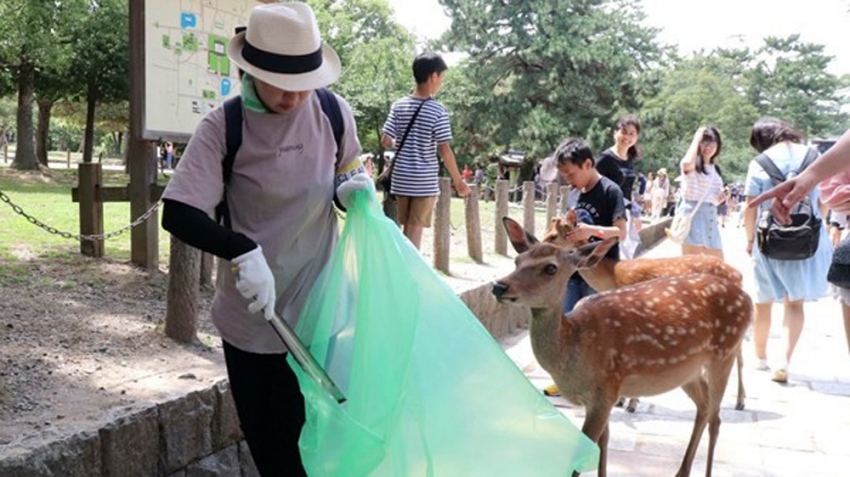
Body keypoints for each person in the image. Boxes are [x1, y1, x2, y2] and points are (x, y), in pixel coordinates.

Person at [159, 4, 372, 475]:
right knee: (275, 452)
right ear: (249, 70)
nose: (294, 97)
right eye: (281, 82)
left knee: (324, 446)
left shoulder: (334, 112)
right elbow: (177, 213)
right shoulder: (224, 126)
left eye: (304, 84)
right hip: (256, 319)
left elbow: (346, 173)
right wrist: (240, 249)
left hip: (322, 313)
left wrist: (349, 193)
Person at [743, 117, 832, 382]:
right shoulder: (814, 156)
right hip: (806, 239)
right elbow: (823, 203)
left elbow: (751, 206)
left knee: (763, 300)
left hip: (769, 239)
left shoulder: (760, 162)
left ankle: (759, 358)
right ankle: (784, 359)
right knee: (794, 303)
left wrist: (749, 240)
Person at [543, 138, 627, 397]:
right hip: (573, 271)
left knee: (596, 329)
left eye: (571, 173)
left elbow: (620, 232)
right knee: (567, 322)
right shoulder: (575, 194)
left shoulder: (611, 191)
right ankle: (566, 378)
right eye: (564, 175)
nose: (569, 179)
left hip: (600, 274)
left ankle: (599, 382)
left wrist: (592, 231)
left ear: (588, 164)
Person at [380, 52, 470, 250]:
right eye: (441, 78)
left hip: (401, 178)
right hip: (423, 180)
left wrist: (402, 141)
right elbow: (444, 149)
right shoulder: (437, 110)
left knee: (406, 229)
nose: (441, 83)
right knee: (414, 234)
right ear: (433, 76)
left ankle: (402, 271)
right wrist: (458, 180)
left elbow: (386, 140)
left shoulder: (399, 105)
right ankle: (408, 277)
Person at [676, 126, 728, 258]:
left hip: (710, 216)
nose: (707, 146)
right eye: (703, 142)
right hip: (692, 216)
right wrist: (697, 137)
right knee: (692, 266)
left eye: (711, 142)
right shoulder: (692, 165)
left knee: (716, 264)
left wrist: (721, 198)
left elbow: (713, 200)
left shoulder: (715, 169)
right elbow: (687, 162)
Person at [594, 115, 641, 257]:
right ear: (615, 133)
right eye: (624, 132)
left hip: (625, 213)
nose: (627, 137)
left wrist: (635, 213)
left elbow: (628, 190)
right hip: (608, 214)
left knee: (625, 256)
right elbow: (592, 185)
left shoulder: (630, 159)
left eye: (632, 133)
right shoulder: (605, 159)